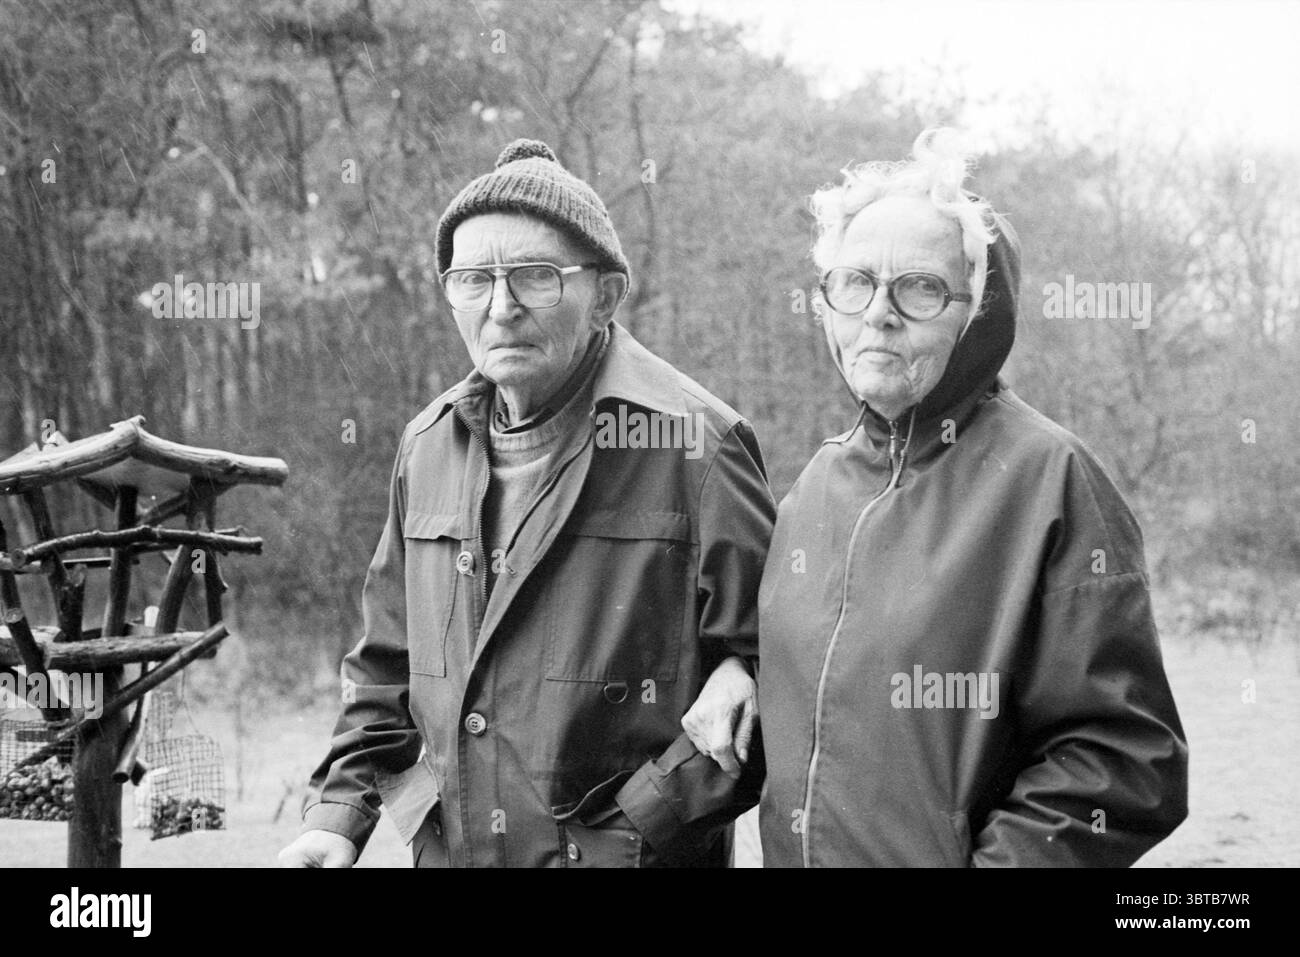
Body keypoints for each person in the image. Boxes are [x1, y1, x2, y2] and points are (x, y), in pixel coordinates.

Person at [279, 139, 774, 868]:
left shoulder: (698, 444)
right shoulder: (428, 447)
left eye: (536, 277)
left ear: (604, 294)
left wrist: (633, 832)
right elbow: (386, 666)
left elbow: (773, 681)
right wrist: (338, 815)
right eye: (473, 279)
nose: (501, 307)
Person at [757, 129, 1188, 867]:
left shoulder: (1051, 478)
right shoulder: (813, 489)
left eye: (920, 288)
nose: (878, 313)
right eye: (854, 281)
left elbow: (1125, 755)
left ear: (977, 310)